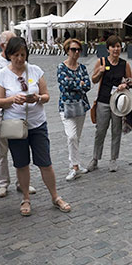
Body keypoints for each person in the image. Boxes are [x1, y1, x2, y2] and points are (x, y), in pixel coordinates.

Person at [0, 36, 71, 215]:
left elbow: (46, 96)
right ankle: (26, 198)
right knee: (21, 164)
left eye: (23, 55)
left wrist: (37, 98)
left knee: (45, 162)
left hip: (37, 123)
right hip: (15, 124)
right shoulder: (3, 74)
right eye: (16, 55)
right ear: (9, 55)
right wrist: (13, 99)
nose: (20, 59)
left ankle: (55, 196)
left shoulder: (35, 70)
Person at [0, 30, 34, 197]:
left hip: (20, 113)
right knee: (1, 150)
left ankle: (22, 183)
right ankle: (2, 183)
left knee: (21, 149)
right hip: (1, 110)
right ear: (3, 46)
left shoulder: (22, 60)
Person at [88, 35, 132, 173]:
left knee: (116, 131)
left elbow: (130, 81)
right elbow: (94, 80)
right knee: (100, 130)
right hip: (103, 101)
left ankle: (113, 159)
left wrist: (124, 85)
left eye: (118, 46)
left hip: (118, 103)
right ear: (108, 48)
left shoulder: (124, 64)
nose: (116, 49)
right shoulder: (102, 61)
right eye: (113, 46)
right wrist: (99, 72)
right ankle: (95, 158)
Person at [57, 38, 92, 181]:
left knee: (76, 137)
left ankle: (76, 164)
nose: (76, 52)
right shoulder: (61, 67)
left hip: (81, 106)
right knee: (71, 136)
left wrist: (76, 83)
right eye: (73, 49)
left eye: (78, 49)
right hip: (66, 106)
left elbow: (88, 85)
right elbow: (64, 83)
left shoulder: (82, 67)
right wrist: (79, 83)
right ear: (67, 50)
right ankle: (73, 167)